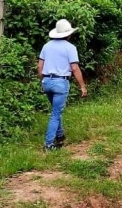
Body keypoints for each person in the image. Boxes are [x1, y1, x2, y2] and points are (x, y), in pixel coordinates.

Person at [37, 19, 88, 150]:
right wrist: (82, 86)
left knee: (56, 110)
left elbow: (40, 66)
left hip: (47, 81)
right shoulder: (70, 48)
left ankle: (60, 135)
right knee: (55, 113)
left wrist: (42, 81)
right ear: (69, 34)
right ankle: (48, 144)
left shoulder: (46, 46)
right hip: (60, 83)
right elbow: (75, 68)